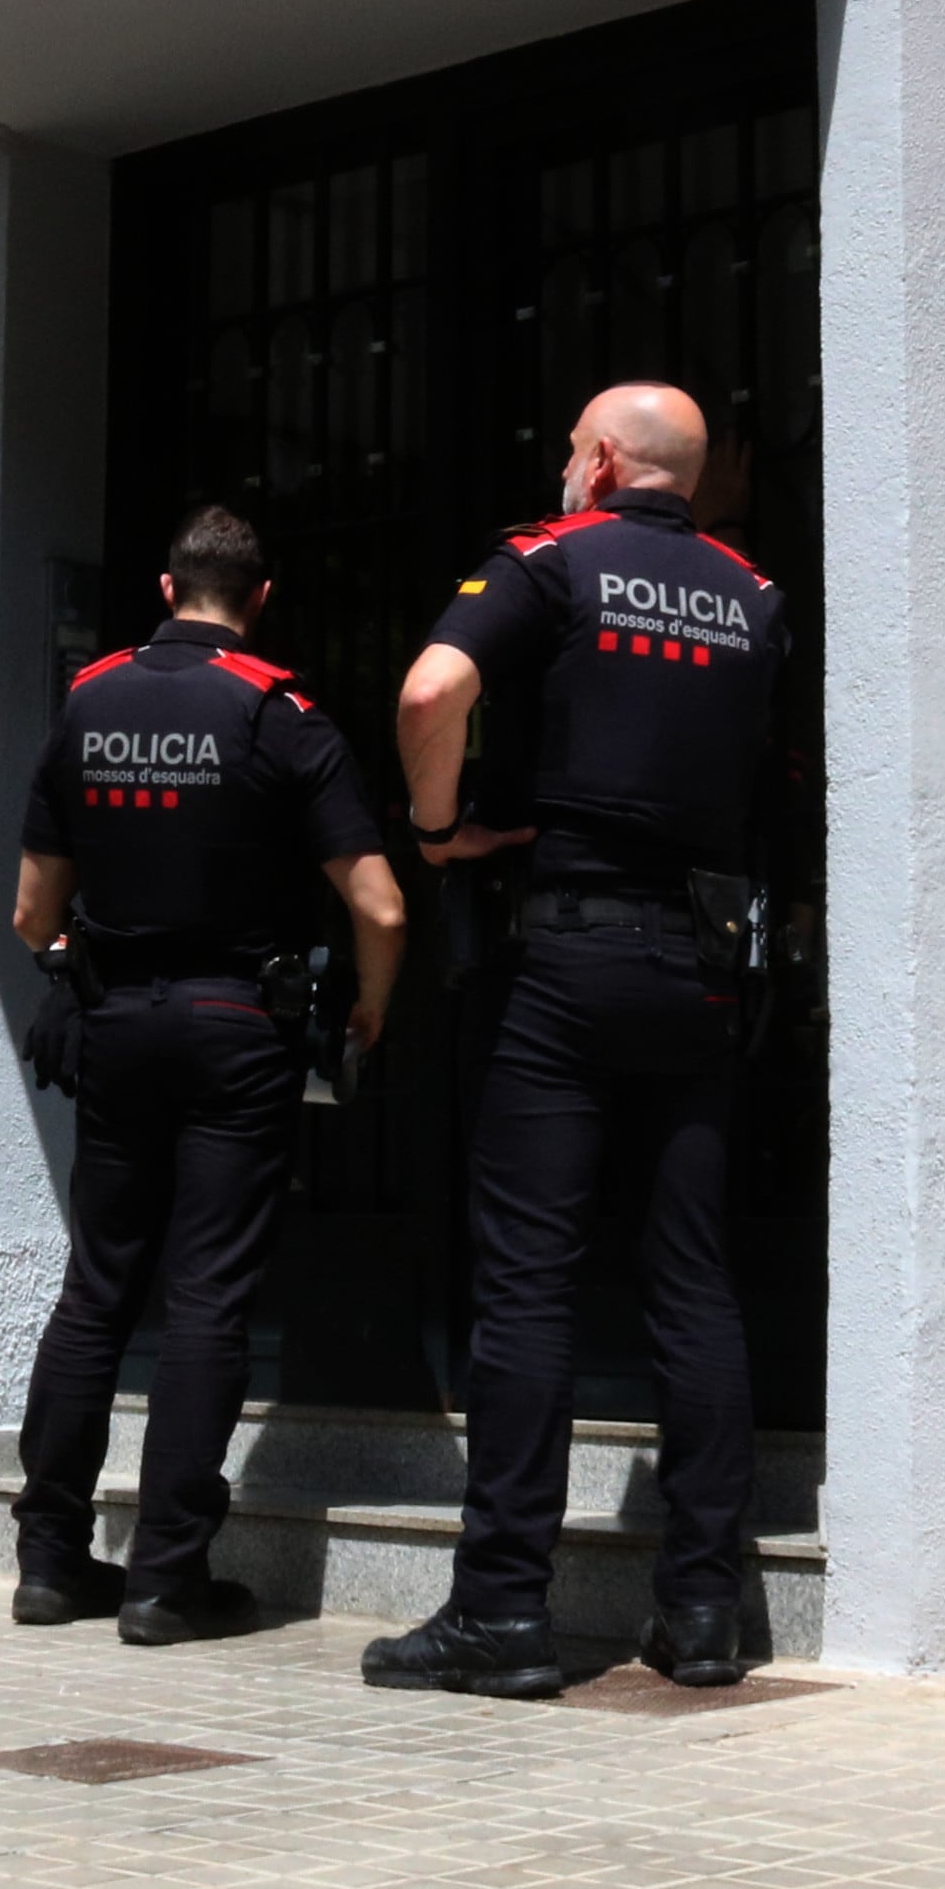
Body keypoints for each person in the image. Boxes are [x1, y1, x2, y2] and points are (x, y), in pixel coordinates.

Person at [363, 381, 788, 1701]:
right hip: (707, 963)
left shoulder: (551, 559)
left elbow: (433, 690)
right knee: (691, 1278)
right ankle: (707, 1609)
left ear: (602, 461)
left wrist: (436, 833)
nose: (563, 467)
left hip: (572, 957)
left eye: (569, 449)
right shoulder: (754, 595)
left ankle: (502, 1613)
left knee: (530, 1280)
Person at [11, 504, 409, 1645]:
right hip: (238, 1024)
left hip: (118, 1024)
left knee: (98, 1289)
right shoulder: (279, 713)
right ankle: (165, 1578)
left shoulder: (88, 701)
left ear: (164, 585)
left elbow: (34, 910)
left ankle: (50, 1559)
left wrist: (76, 972)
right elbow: (378, 902)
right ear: (262, 599)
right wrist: (370, 1008)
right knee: (208, 1298)